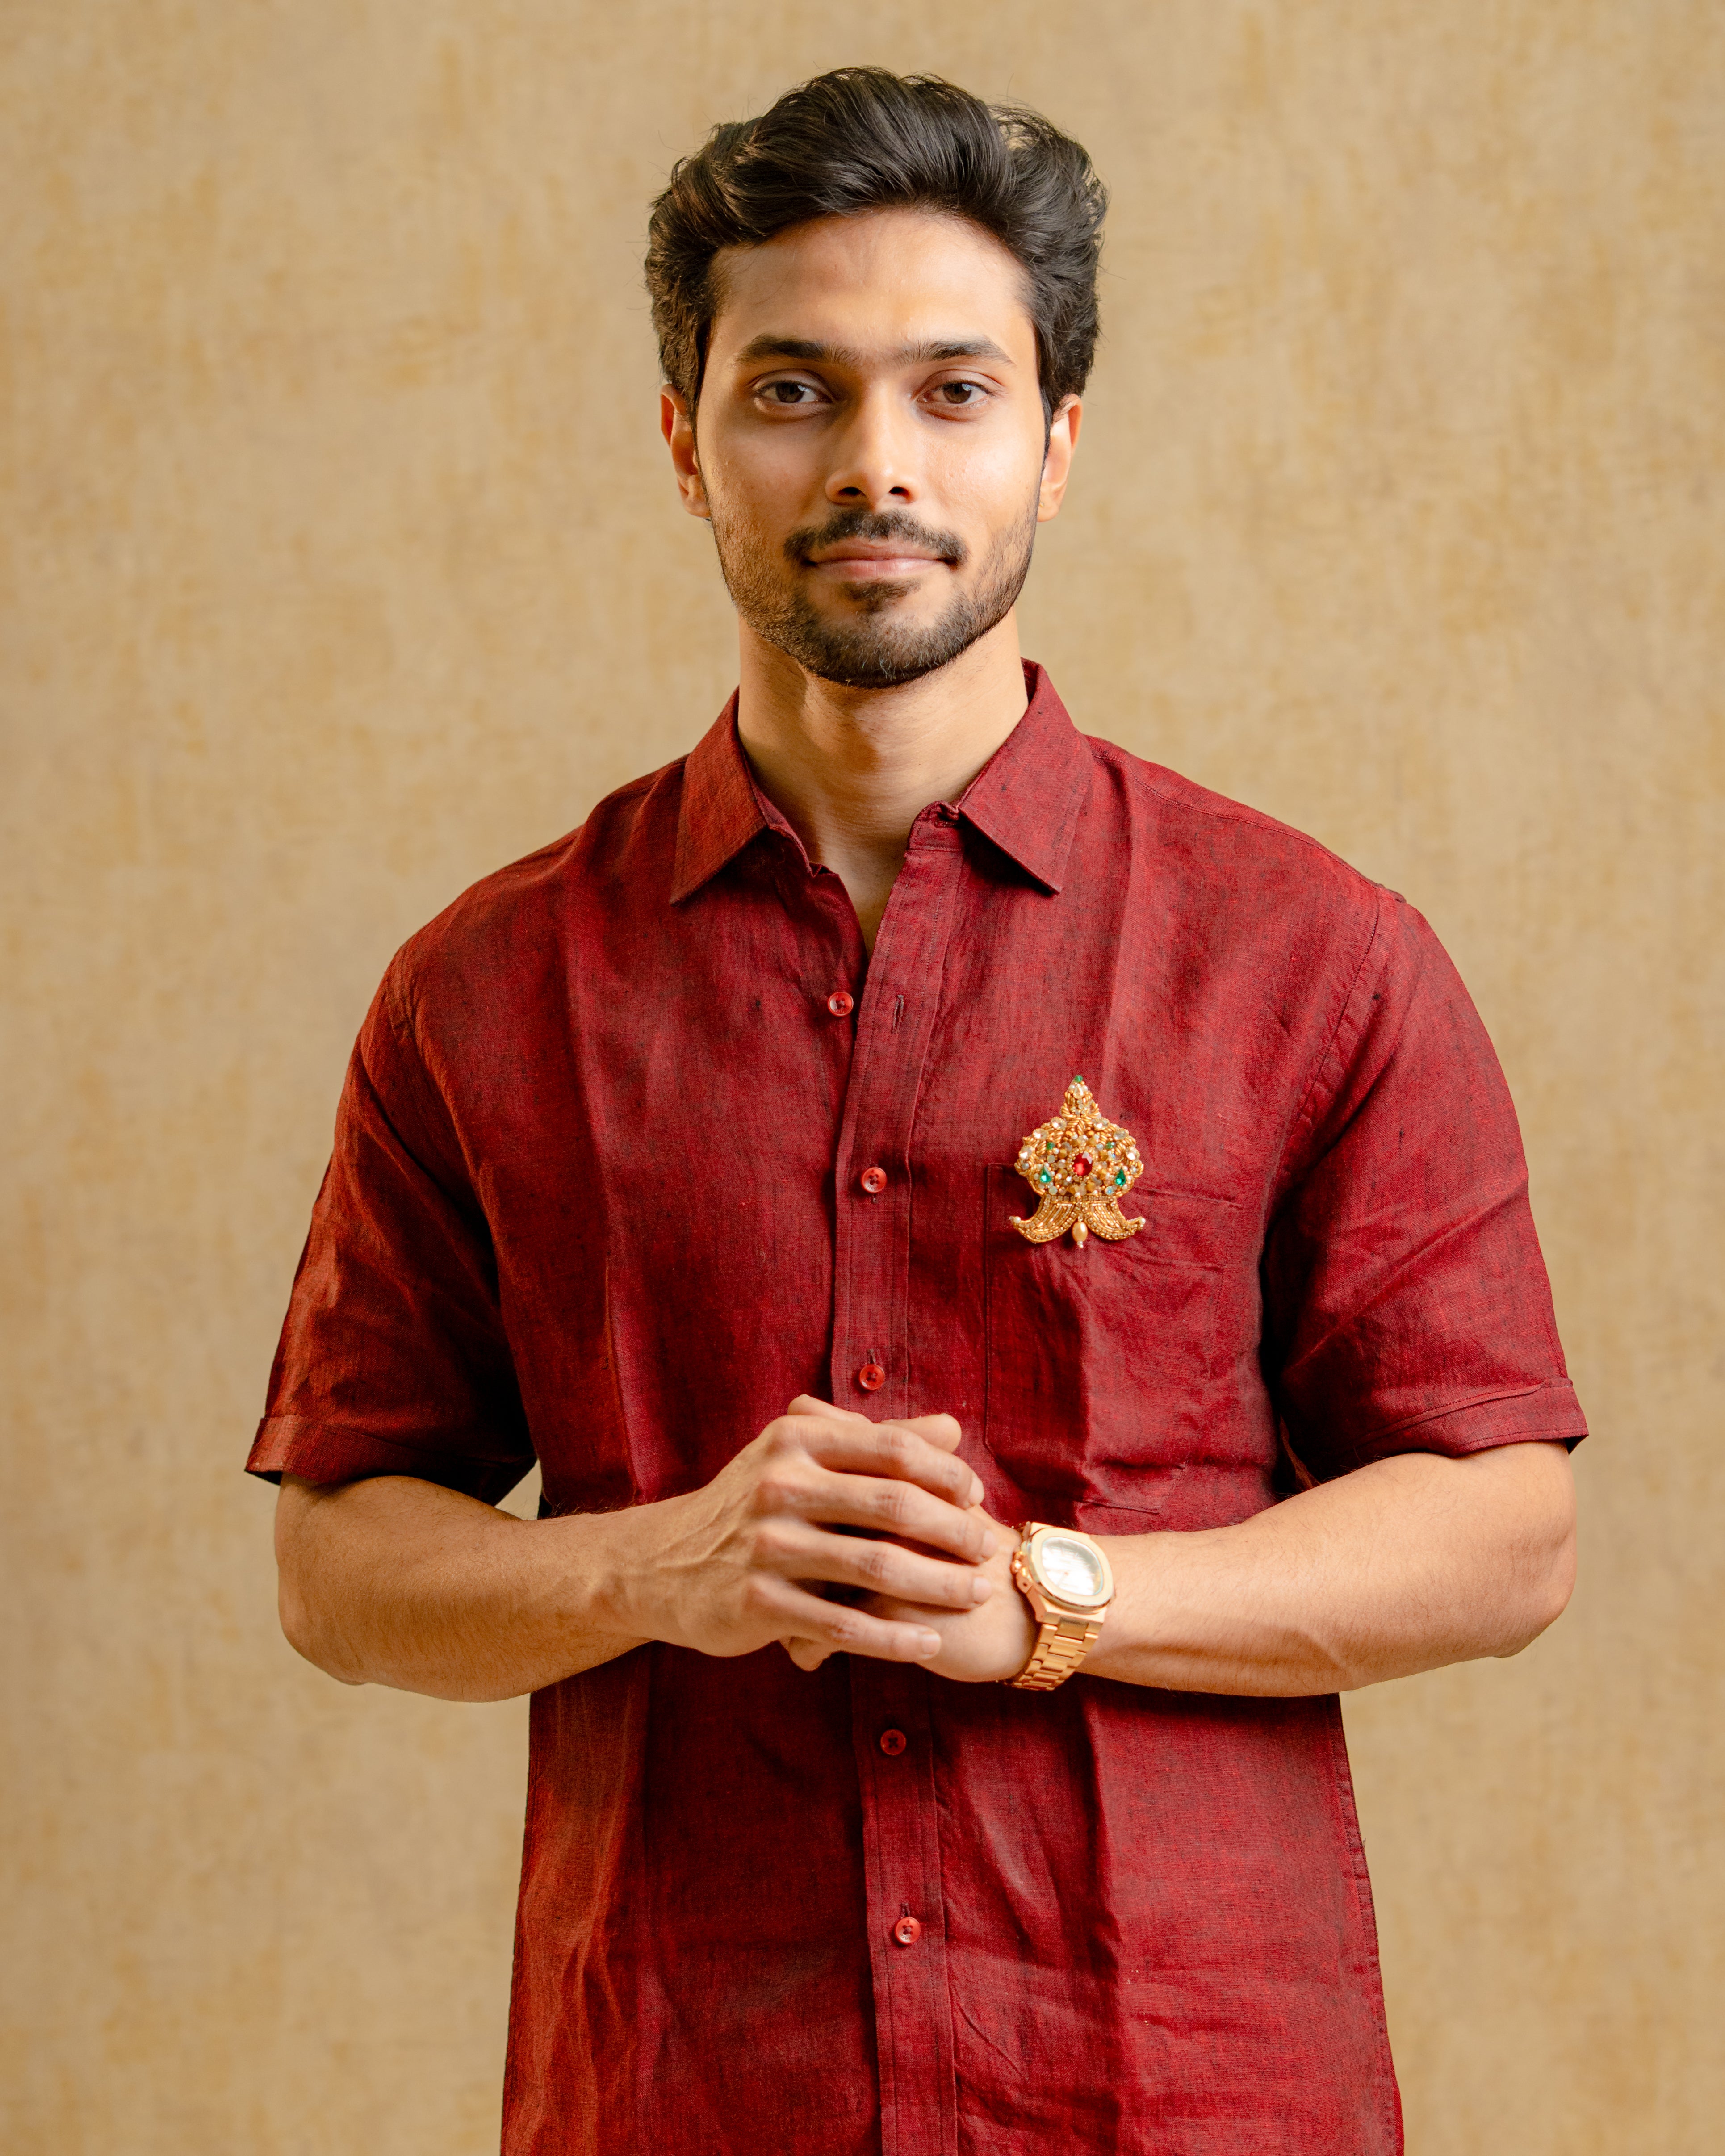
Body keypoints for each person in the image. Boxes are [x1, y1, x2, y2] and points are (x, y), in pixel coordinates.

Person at [255, 67, 1584, 2156]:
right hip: (686, 2095)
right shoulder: (489, 994)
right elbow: (337, 1561)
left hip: (1189, 2100)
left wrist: (1053, 1596)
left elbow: (1507, 1527)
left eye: (955, 391)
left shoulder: (1311, 956)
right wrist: (657, 1567)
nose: (878, 463)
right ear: (684, 439)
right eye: (794, 390)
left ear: (1056, 443)